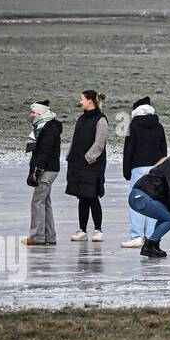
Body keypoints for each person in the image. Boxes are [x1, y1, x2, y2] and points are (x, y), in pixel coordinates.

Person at [128, 137, 170, 258]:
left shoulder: (167, 162)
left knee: (165, 216)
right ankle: (149, 246)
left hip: (137, 196)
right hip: (142, 198)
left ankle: (154, 245)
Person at [120, 96, 167, 249]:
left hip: (138, 168)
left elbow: (128, 150)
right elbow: (163, 150)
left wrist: (126, 171)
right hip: (156, 168)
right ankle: (150, 236)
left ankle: (136, 236)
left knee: (137, 203)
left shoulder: (133, 126)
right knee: (153, 203)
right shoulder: (158, 125)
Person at [65, 90, 109, 242]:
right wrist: (69, 155)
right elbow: (75, 139)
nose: (80, 101)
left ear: (90, 100)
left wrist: (88, 158)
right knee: (82, 197)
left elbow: (99, 143)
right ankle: (82, 230)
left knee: (92, 197)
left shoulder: (101, 119)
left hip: (93, 165)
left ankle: (98, 230)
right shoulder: (81, 118)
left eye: (82, 99)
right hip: (78, 164)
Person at [23, 100, 61, 246]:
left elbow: (44, 152)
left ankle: (37, 237)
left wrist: (37, 171)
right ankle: (50, 237)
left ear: (40, 113)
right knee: (45, 202)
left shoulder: (48, 129)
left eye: (34, 113)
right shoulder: (42, 126)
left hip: (47, 170)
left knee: (37, 202)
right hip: (48, 169)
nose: (31, 115)